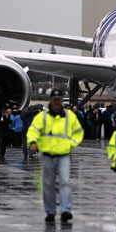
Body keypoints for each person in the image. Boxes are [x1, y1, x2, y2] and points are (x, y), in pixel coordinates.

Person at [27, 89, 84, 223]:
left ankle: (65, 210)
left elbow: (78, 132)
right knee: (48, 184)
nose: (57, 102)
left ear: (61, 101)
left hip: (64, 154)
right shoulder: (43, 116)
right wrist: (33, 142)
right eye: (55, 100)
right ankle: (51, 211)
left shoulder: (69, 116)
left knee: (64, 182)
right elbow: (33, 129)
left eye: (59, 99)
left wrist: (71, 144)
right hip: (48, 154)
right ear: (50, 101)